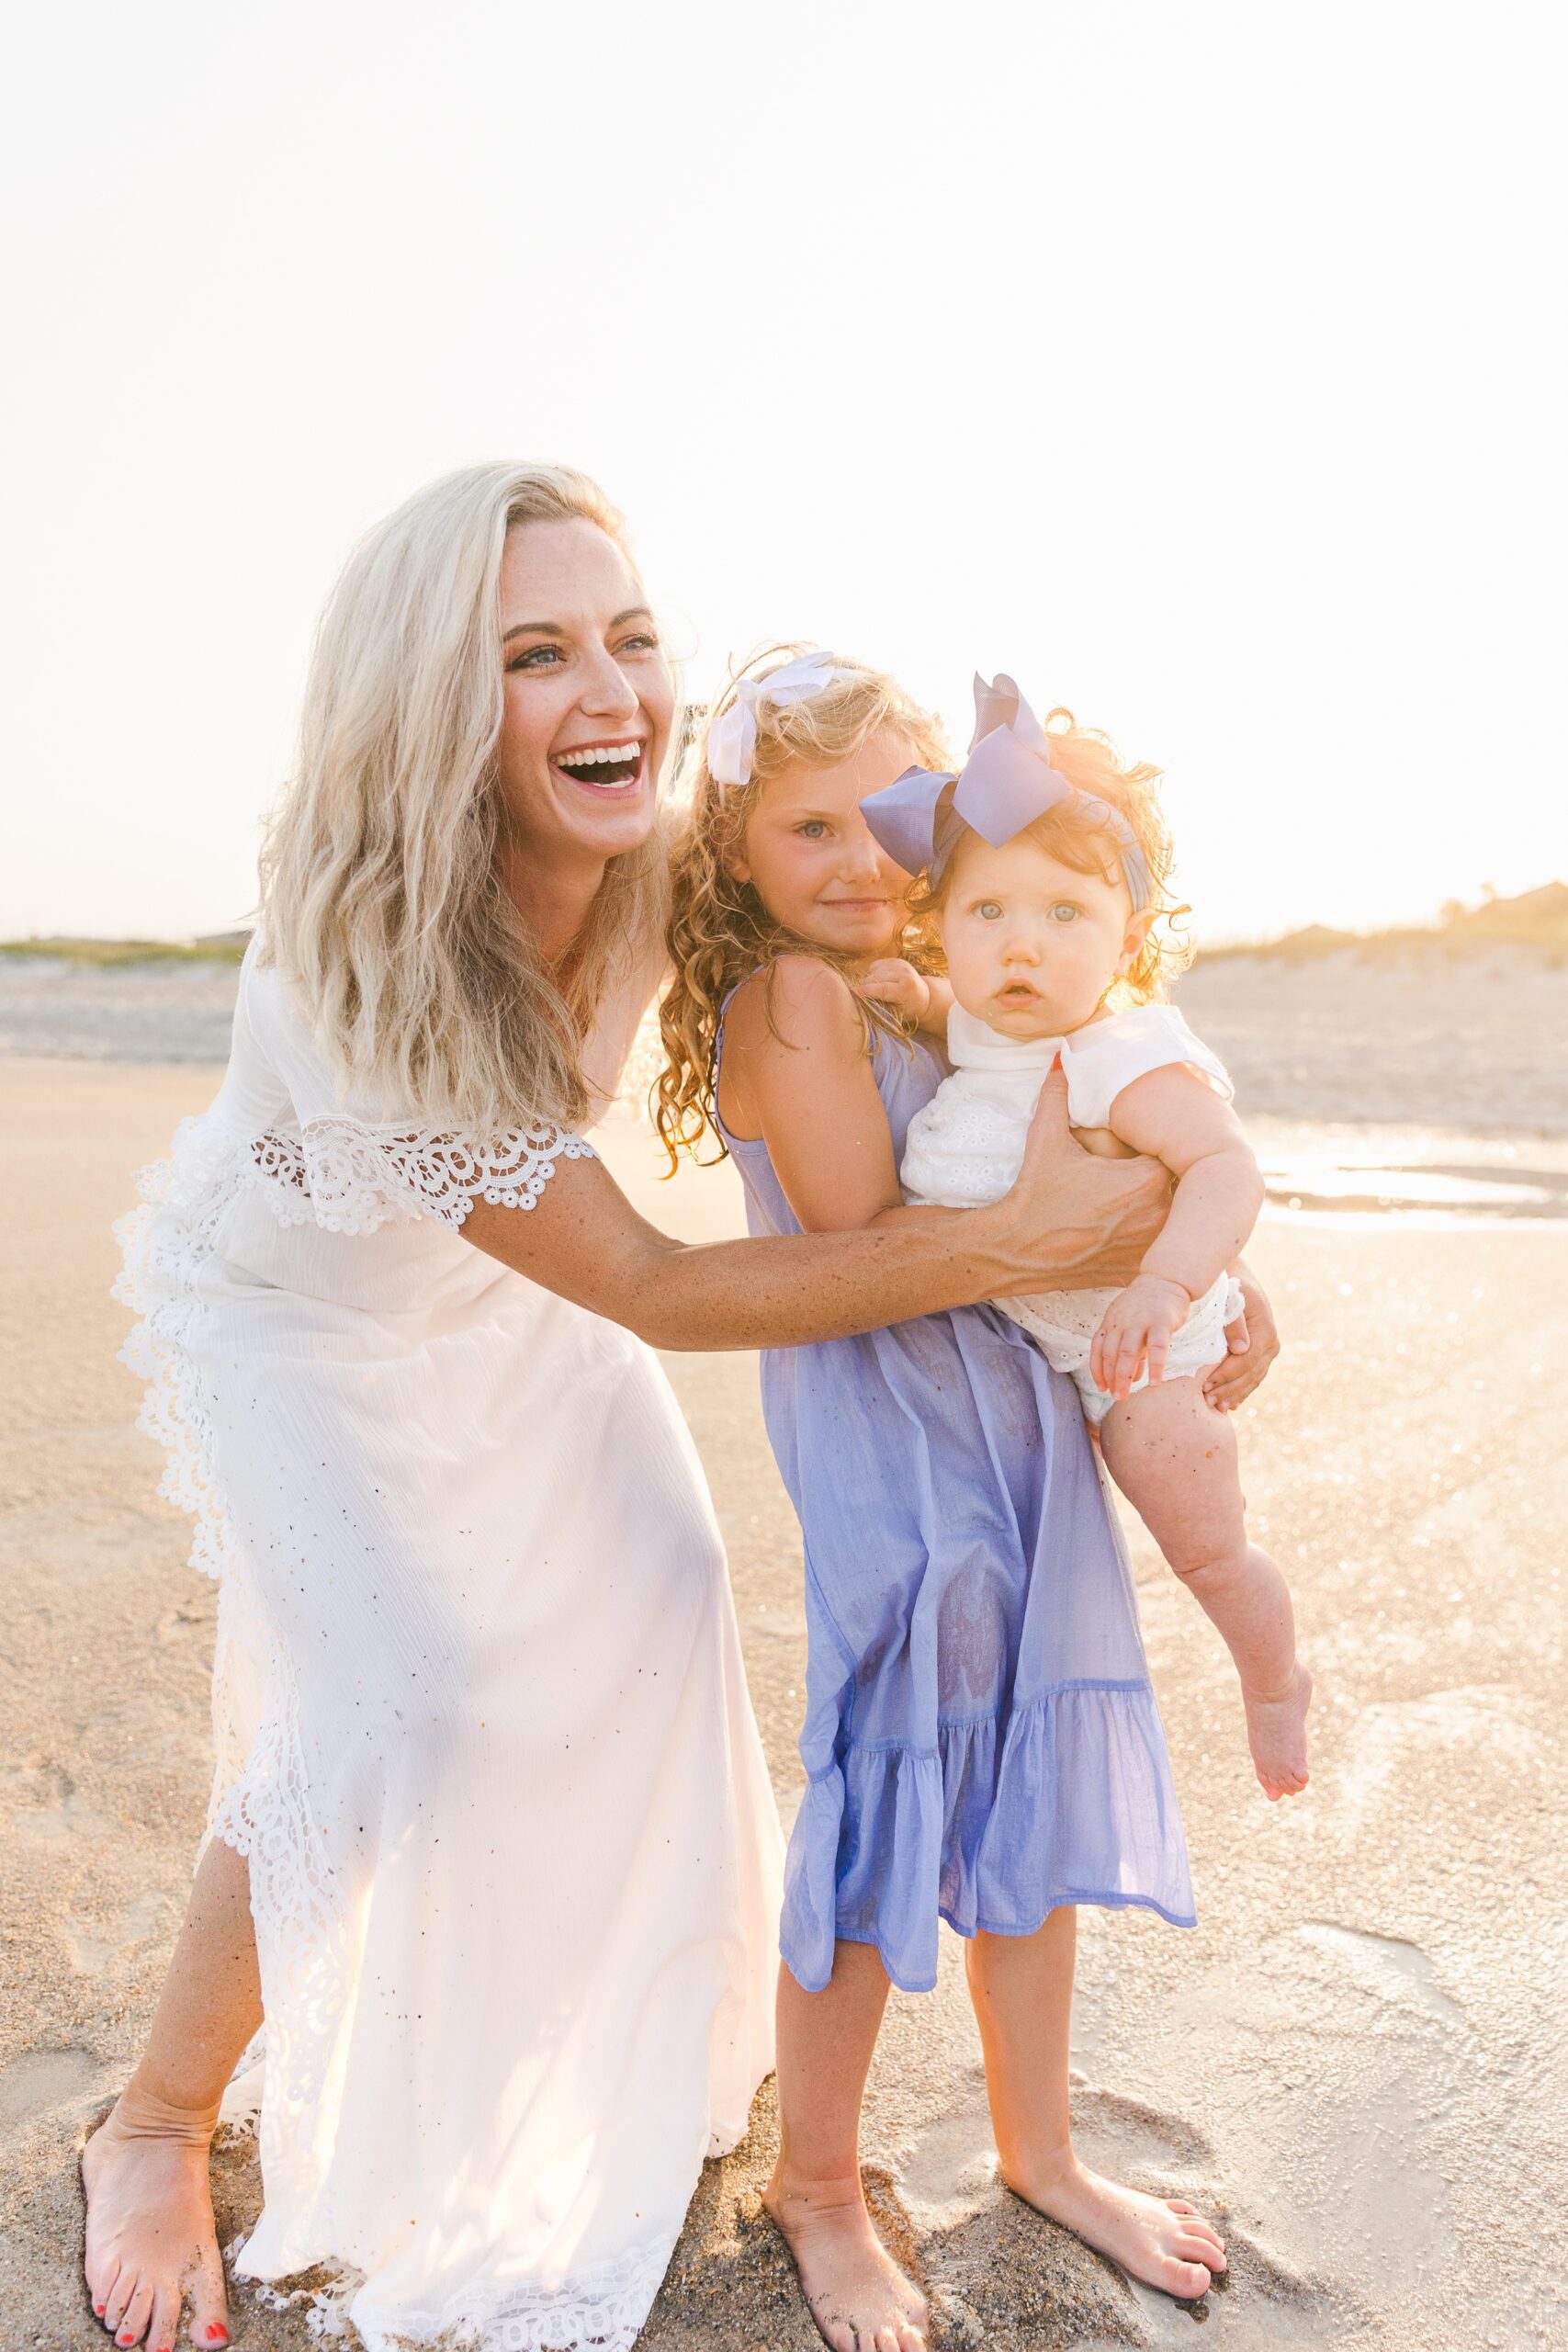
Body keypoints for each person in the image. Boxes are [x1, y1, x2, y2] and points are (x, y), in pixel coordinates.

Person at [85, 470, 1188, 2352]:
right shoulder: (387, 951)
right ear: (432, 701)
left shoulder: (664, 850)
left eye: (628, 637)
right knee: (394, 1701)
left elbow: (886, 868)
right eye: (533, 654)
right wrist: (1019, 1234)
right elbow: (667, 1290)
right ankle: (158, 2114)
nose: (609, 690)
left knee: (668, 1598)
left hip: (520, 1298)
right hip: (300, 1319)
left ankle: (619, 2017)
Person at [658, 650, 1275, 2352]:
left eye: (887, 822)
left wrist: (1193, 1263)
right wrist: (1088, 1210)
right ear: (736, 861)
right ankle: (823, 2187)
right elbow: (875, 1240)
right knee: (889, 1769)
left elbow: (1112, 1133)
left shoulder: (942, 988)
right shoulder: (794, 1000)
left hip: (1020, 1417)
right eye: (806, 830)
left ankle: (1040, 2147)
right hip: (895, 1429)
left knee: (1021, 1778)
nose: (858, 861)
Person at [871, 675, 1311, 1803]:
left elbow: (1223, 1166)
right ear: (946, 927)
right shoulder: (976, 1017)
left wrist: (1169, 1289)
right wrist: (895, 989)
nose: (1024, 947)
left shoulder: (1122, 1054)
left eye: (1065, 915)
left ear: (1126, 937)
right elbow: (945, 1005)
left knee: (1201, 1541)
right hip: (1030, 1346)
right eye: (990, 914)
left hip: (1138, 1358)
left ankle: (1273, 1677)